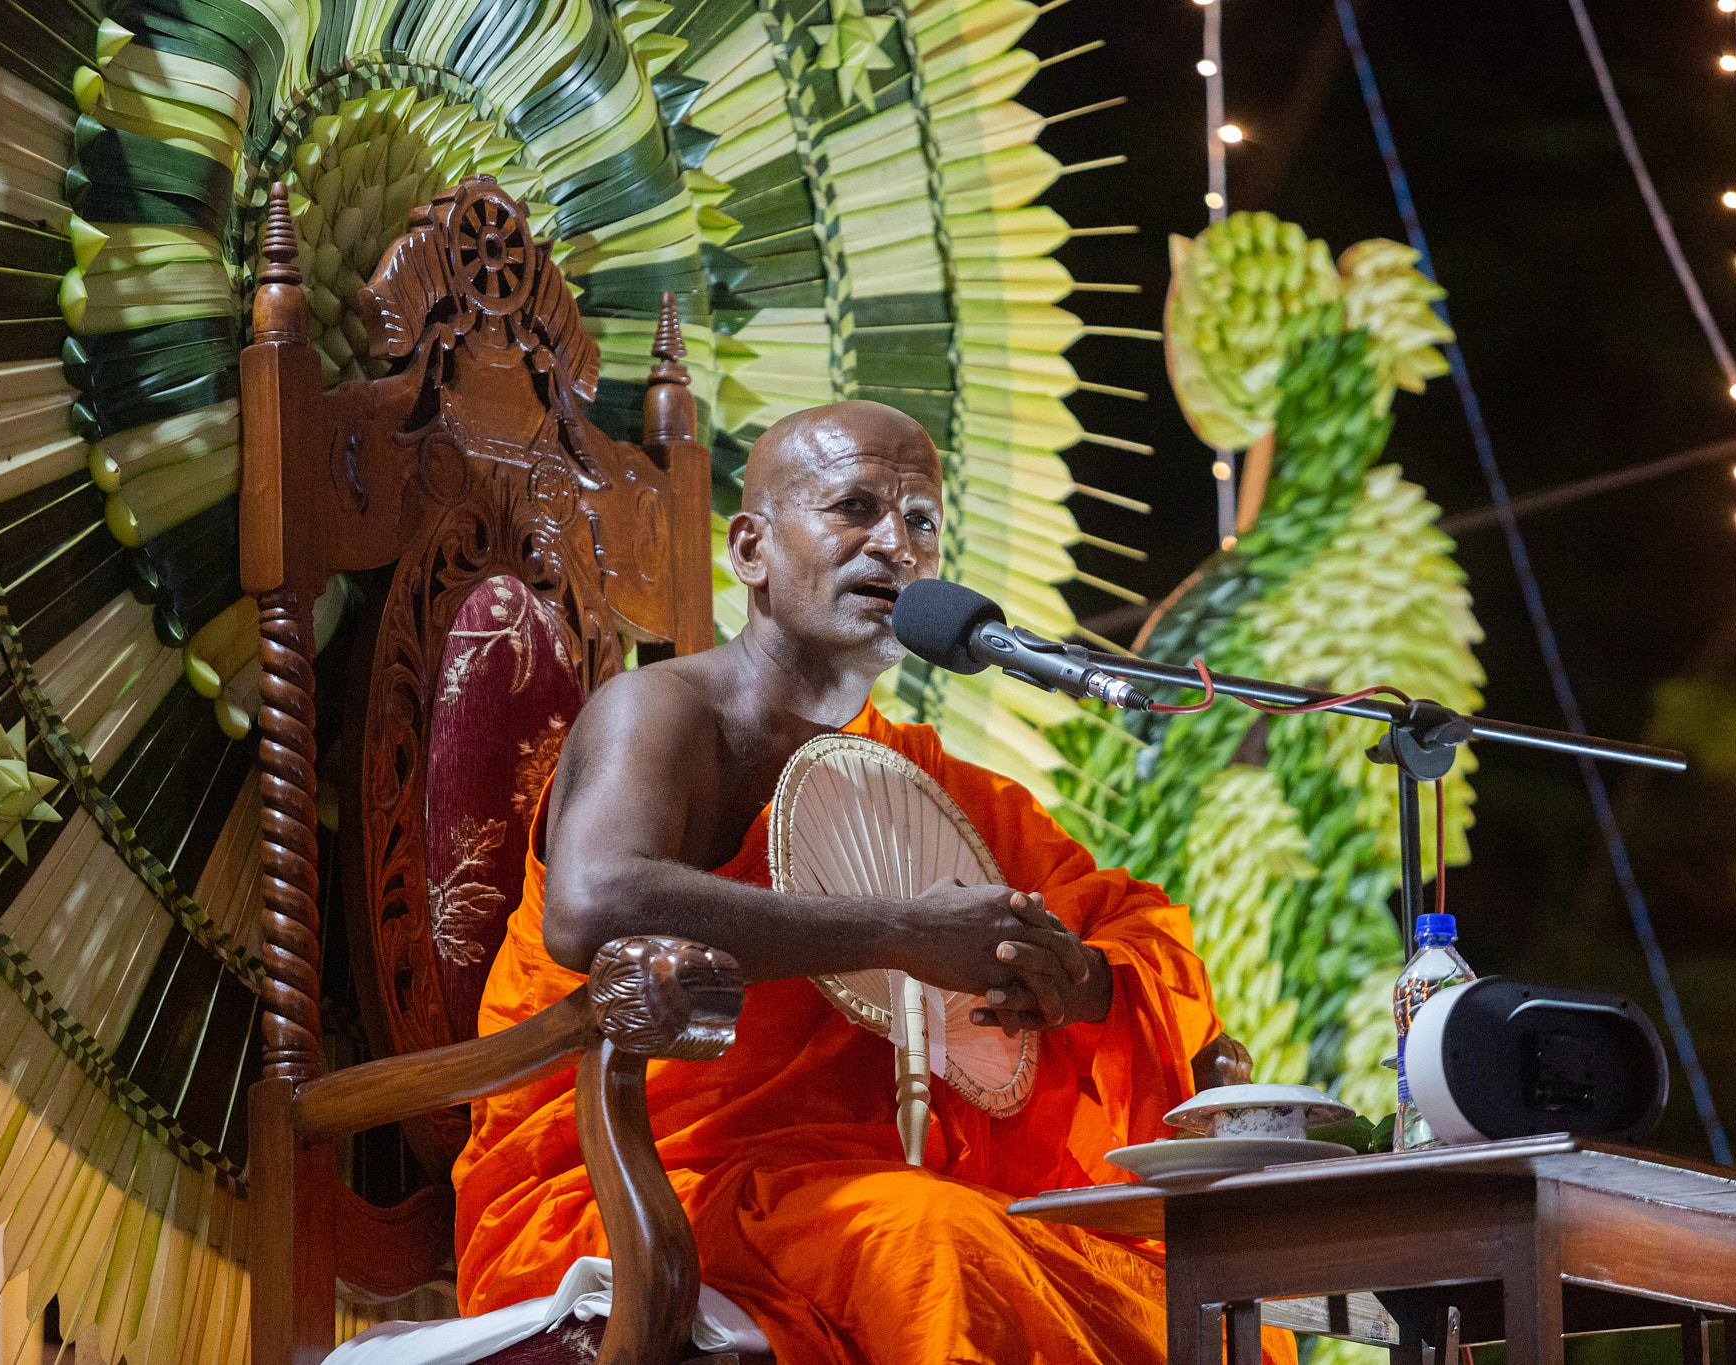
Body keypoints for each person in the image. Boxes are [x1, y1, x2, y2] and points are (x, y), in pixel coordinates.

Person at [453, 399, 1298, 1362]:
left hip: (853, 1189)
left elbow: (1130, 925)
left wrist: (1077, 980)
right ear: (752, 549)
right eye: (855, 507)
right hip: (641, 1183)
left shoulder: (916, 778)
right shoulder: (669, 713)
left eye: (924, 520)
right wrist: (897, 930)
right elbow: (593, 901)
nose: (895, 544)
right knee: (934, 1251)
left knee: (1184, 1297)